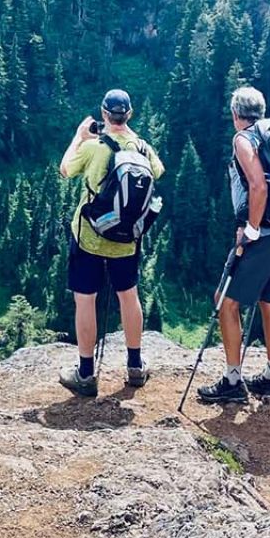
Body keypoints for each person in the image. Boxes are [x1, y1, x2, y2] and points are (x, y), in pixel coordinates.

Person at [57, 89, 165, 398]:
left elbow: (66, 170)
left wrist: (78, 137)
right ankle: (134, 366)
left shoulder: (94, 146)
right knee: (128, 296)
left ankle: (86, 374)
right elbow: (158, 172)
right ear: (129, 114)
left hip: (89, 234)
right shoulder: (143, 147)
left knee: (86, 300)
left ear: (104, 115)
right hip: (127, 238)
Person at [198, 87, 270, 405]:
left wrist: (251, 229)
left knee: (225, 301)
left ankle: (232, 381)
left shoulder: (244, 139)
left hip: (264, 231)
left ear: (234, 114)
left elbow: (257, 185)